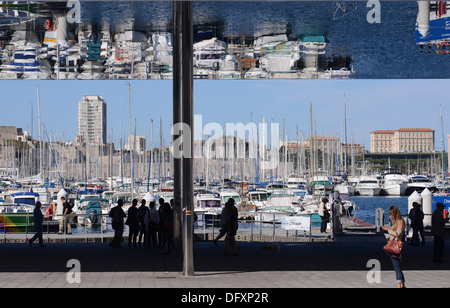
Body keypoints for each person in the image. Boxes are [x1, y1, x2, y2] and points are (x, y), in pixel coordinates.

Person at [382, 205, 406, 288]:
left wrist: (388, 230)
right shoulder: (397, 222)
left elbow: (397, 234)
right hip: (394, 245)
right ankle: (402, 284)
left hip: (395, 246)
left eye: (391, 214)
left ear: (394, 214)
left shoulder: (400, 221)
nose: (390, 216)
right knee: (397, 266)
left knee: (397, 267)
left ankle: (399, 285)